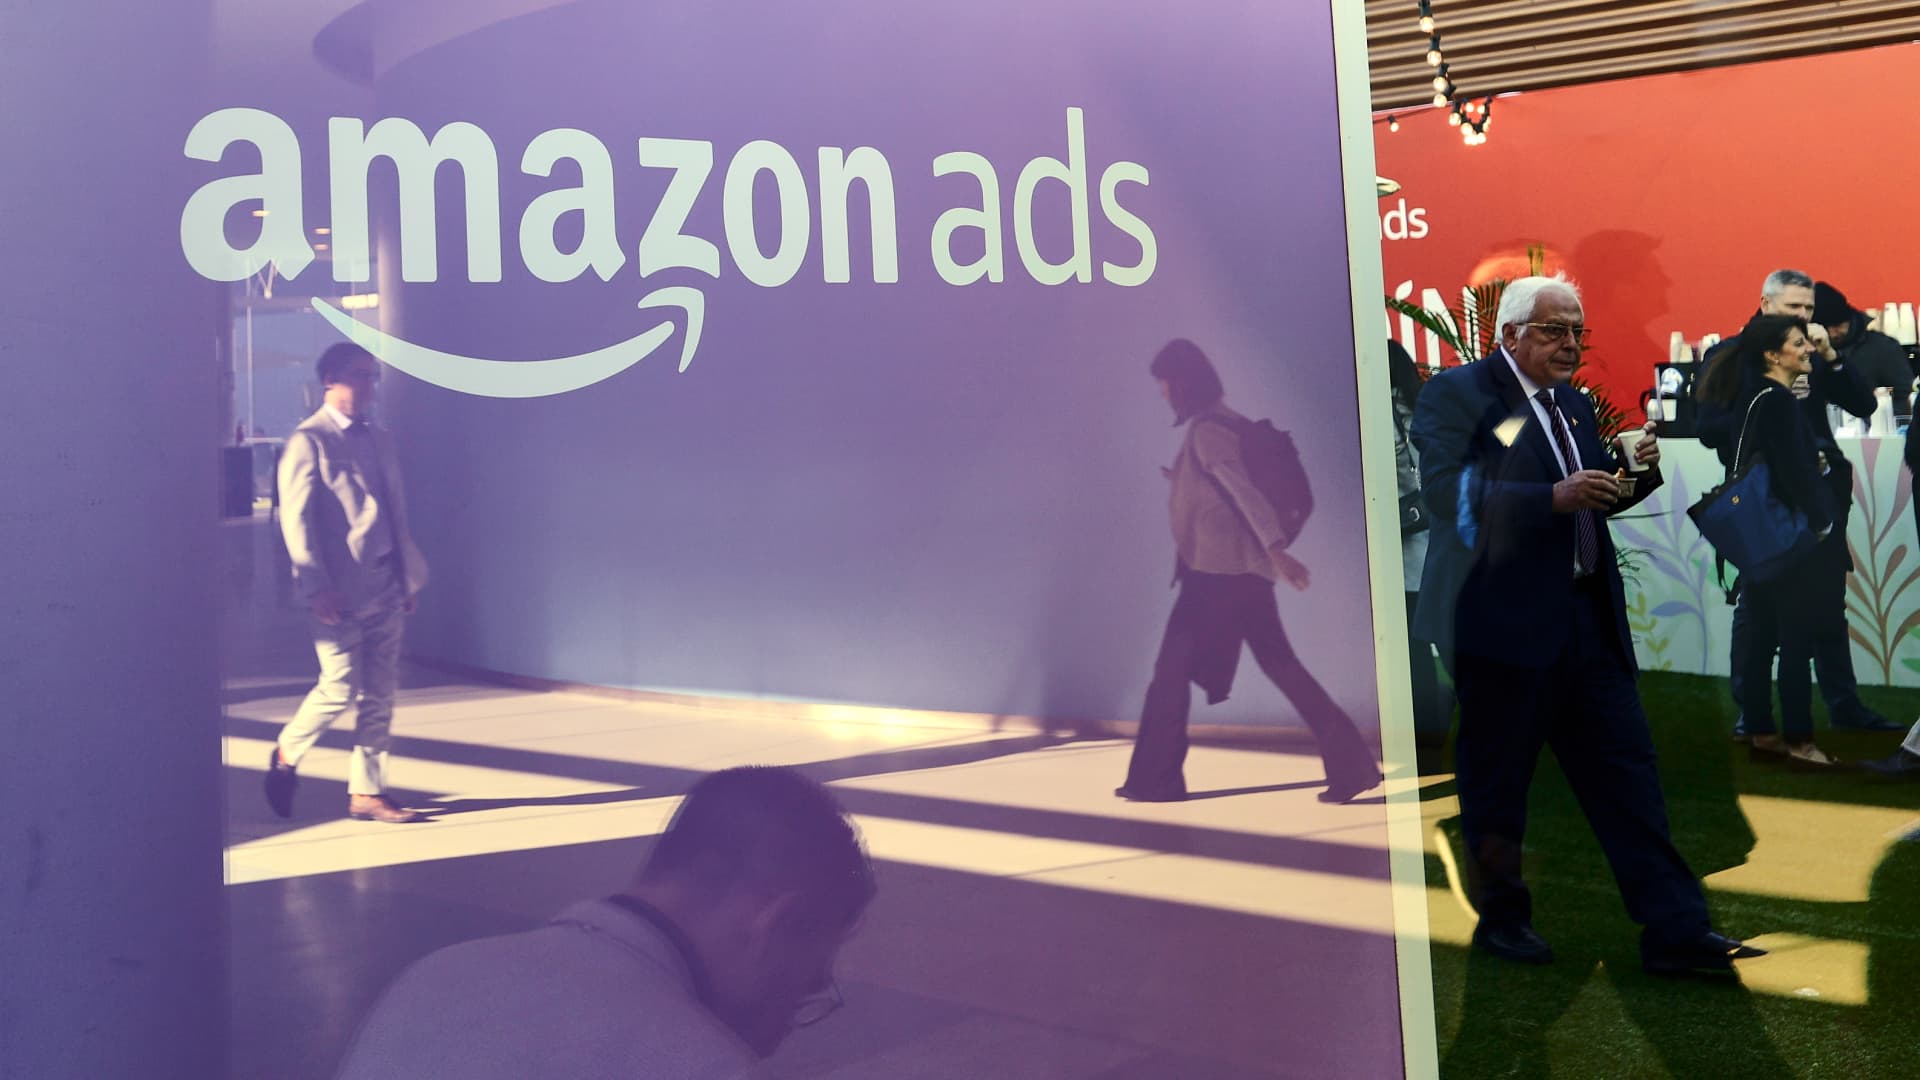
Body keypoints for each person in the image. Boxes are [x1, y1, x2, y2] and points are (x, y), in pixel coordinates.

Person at [1411, 274, 1765, 974]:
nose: (1570, 344)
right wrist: (1552, 494)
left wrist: (1630, 470)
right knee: (1497, 786)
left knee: (1629, 777)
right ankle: (1503, 921)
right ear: (1509, 334)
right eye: (1554, 330)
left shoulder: (1570, 404)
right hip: (1500, 627)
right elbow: (1449, 494)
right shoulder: (1462, 395)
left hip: (1586, 623)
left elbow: (1589, 497)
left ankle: (1675, 930)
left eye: (1577, 331)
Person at [334, 767, 875, 1079]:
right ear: (775, 922)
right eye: (805, 986)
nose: (783, 1029)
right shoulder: (700, 1064)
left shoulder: (435, 978)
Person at [1118, 339, 1382, 805]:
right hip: (1239, 574)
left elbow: (1245, 494)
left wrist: (1278, 552)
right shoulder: (1227, 422)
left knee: (1170, 675)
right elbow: (1223, 493)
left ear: (1181, 381)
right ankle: (1352, 767)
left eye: (1164, 381)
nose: (1162, 391)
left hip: (1216, 576)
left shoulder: (1207, 431)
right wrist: (1182, 481)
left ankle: (1155, 781)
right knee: (1280, 664)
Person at [1695, 270, 1898, 736]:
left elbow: (1864, 406)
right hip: (1765, 499)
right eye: (1794, 308)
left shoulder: (1811, 351)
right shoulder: (1732, 354)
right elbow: (1707, 428)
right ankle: (1753, 713)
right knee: (1758, 609)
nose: (1804, 317)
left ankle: (1843, 706)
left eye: (1808, 308)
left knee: (1828, 603)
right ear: (1765, 303)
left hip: (1820, 494)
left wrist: (1832, 357)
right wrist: (1771, 405)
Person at [266, 343, 431, 824]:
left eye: (372, 376)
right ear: (330, 380)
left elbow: (395, 511)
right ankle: (286, 751)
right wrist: (315, 586)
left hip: (386, 584)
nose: (369, 385)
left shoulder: (380, 438)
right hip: (337, 593)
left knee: (381, 694)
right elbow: (296, 521)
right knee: (338, 689)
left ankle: (367, 793)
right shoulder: (308, 441)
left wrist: (406, 578)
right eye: (360, 375)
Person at [1694, 315, 1843, 767]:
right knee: (1796, 640)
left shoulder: (1754, 395)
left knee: (1760, 636)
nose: (1808, 349)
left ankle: (1760, 729)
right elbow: (1794, 471)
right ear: (1773, 355)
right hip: (1787, 534)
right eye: (1799, 343)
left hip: (1759, 534)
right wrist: (1822, 521)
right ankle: (1800, 740)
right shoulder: (1778, 400)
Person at [1388, 339, 1451, 770]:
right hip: (1442, 548)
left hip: (1405, 553)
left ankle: (1428, 743)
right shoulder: (1427, 408)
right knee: (1454, 647)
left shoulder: (1376, 415)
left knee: (1414, 655)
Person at [1815, 281, 1914, 422]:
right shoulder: (1809, 353)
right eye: (1825, 327)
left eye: (1837, 325)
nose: (1833, 333)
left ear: (1849, 317)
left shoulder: (1883, 348)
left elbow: (1905, 396)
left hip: (1879, 430)